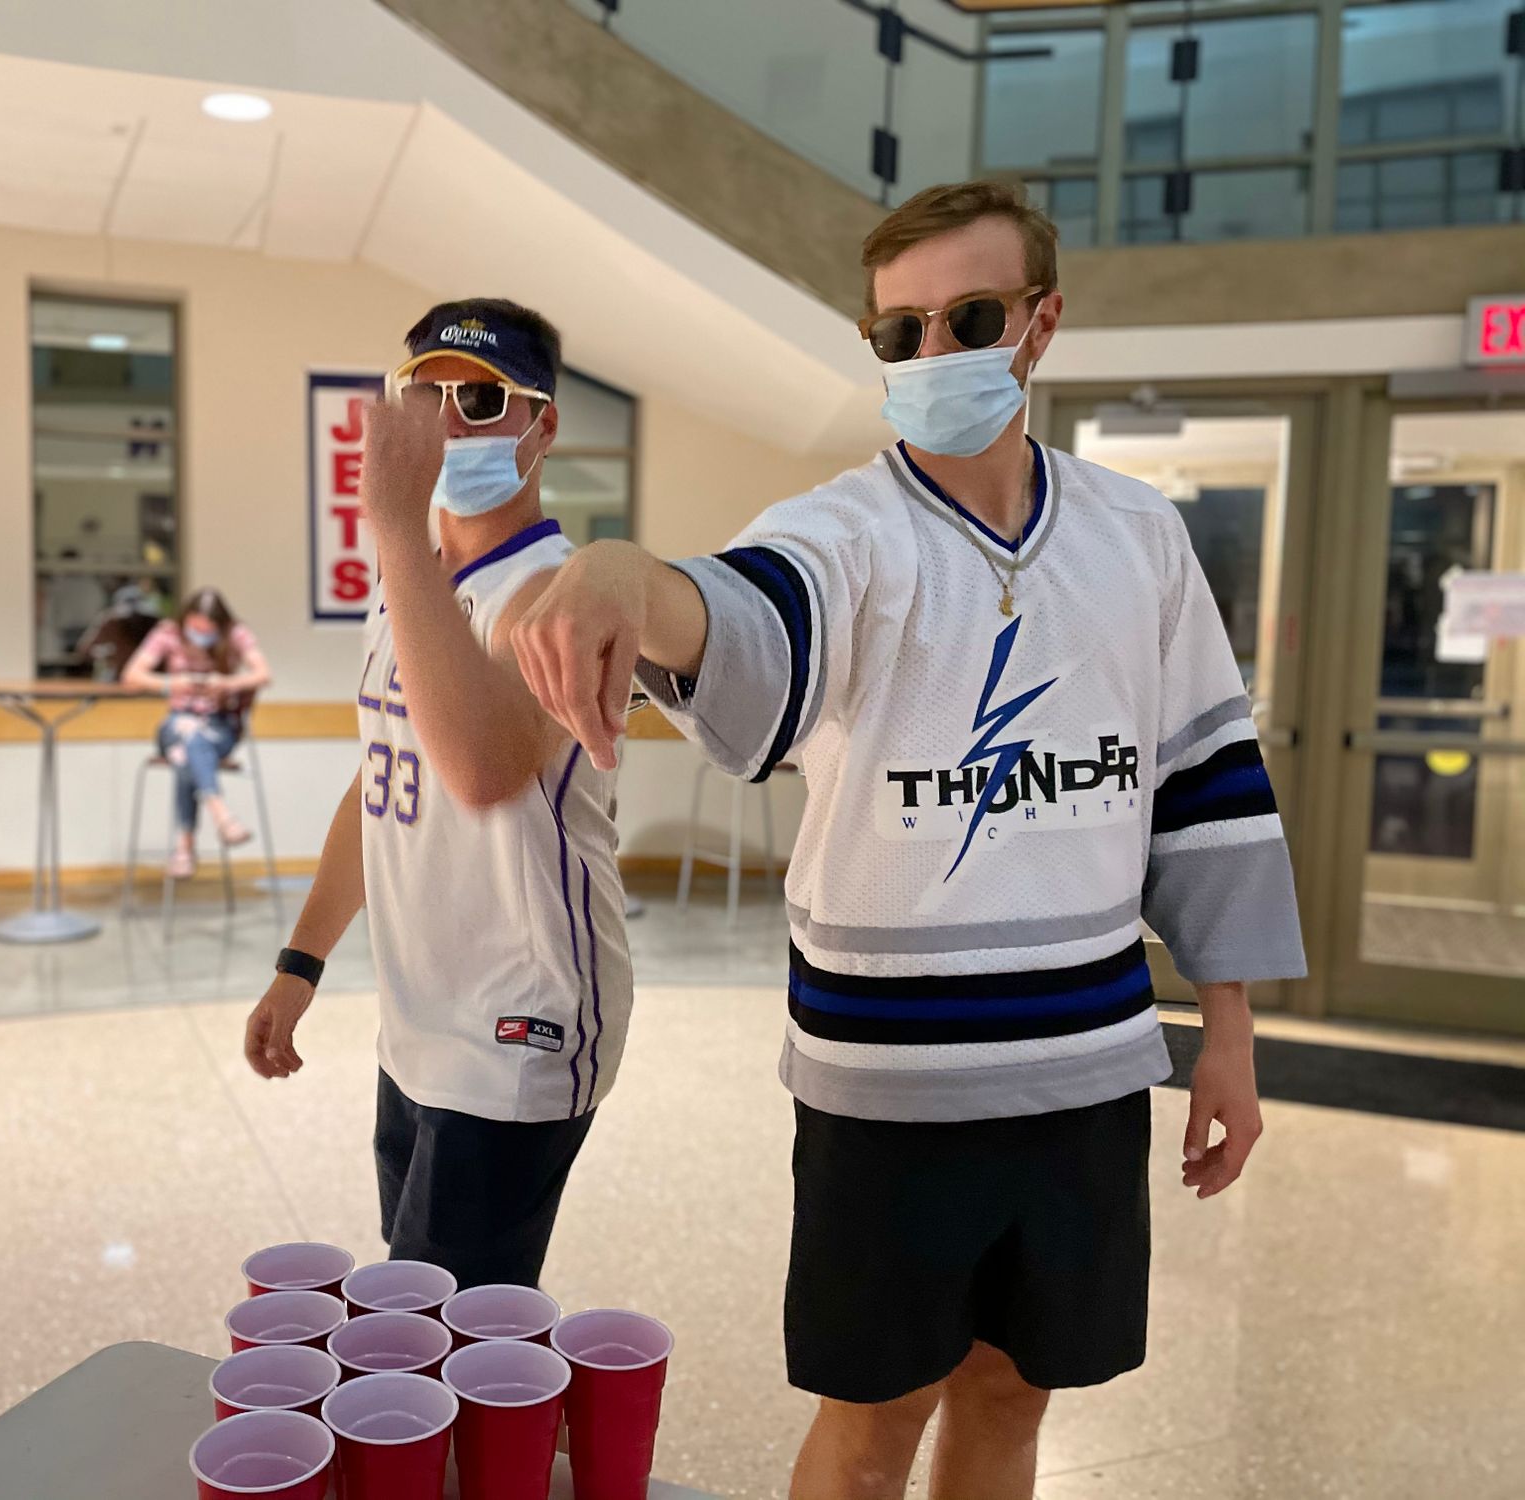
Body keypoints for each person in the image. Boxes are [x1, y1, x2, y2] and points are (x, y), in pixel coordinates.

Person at [508, 182, 1307, 1500]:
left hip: (1085, 1074)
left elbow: (1202, 785)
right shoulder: (845, 536)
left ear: (1040, 325)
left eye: (970, 317)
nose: (935, 355)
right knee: (872, 1417)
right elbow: (741, 615)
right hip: (890, 1086)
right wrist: (618, 572)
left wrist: (1228, 1030)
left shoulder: (1139, 539)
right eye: (901, 332)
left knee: (1012, 1399)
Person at [241, 299, 632, 1290]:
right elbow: (384, 779)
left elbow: (482, 769)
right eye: (425, 396)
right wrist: (301, 960)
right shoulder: (406, 587)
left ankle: (499, 1447)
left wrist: (392, 534)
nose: (448, 419)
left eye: (480, 397)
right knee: (426, 1308)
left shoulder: (565, 590)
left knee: (438, 1329)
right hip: (418, 1012)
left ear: (541, 426)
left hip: (522, 1017)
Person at [121, 587, 271, 877]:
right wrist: (172, 684)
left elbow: (263, 674)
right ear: (185, 620)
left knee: (185, 752)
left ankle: (184, 848)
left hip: (219, 727)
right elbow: (132, 675)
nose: (201, 635)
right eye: (195, 628)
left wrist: (226, 683)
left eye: (209, 629)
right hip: (176, 721)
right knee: (186, 730)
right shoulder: (168, 633)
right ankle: (221, 815)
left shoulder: (236, 634)